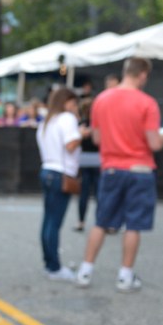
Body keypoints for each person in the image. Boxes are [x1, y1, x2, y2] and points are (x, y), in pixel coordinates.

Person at [76, 57, 163, 292]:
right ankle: (124, 276)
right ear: (143, 75)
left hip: (111, 168)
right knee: (134, 225)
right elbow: (154, 143)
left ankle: (85, 271)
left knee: (101, 221)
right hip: (140, 169)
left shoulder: (101, 99)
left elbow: (96, 138)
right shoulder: (148, 103)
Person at [35, 88, 87, 281]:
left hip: (47, 170)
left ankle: (49, 264)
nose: (75, 108)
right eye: (73, 104)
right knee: (54, 223)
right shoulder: (67, 119)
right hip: (60, 173)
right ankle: (55, 267)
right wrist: (81, 134)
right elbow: (70, 145)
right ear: (66, 102)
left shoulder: (47, 121)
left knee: (48, 221)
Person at [75, 97, 100, 232]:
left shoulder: (81, 124)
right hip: (97, 159)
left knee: (84, 193)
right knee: (98, 192)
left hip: (84, 159)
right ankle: (100, 222)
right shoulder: (98, 124)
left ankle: (81, 221)